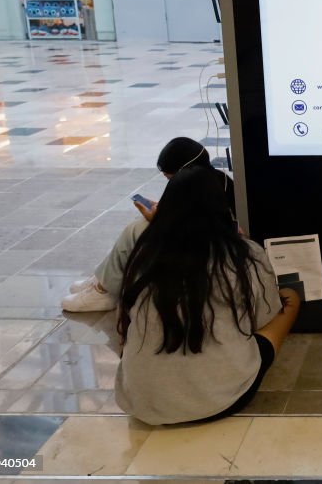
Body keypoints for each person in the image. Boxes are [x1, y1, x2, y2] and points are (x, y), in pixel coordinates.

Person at [114, 166, 299, 425]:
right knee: (290, 298)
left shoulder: (145, 252)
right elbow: (262, 317)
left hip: (141, 400)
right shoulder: (241, 254)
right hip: (219, 398)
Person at [62, 137, 234, 312]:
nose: (169, 180)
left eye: (170, 177)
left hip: (206, 247)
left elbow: (199, 227)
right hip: (203, 240)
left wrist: (157, 219)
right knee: (138, 229)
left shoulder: (195, 185)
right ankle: (102, 281)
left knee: (136, 230)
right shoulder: (216, 179)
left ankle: (104, 290)